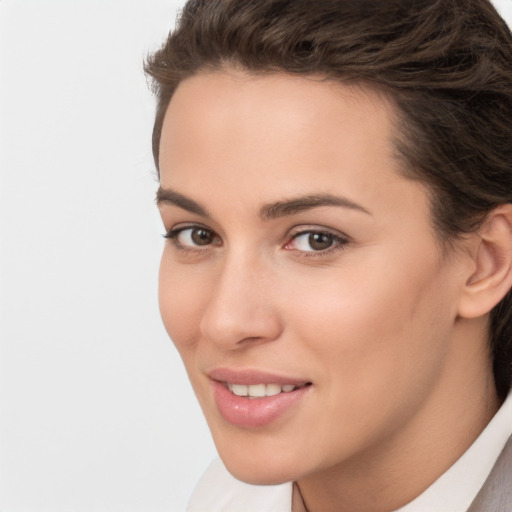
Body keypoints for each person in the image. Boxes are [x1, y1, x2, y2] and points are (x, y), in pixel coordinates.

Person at [145, 0, 512, 510]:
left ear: (485, 261)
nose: (225, 322)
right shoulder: (224, 499)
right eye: (196, 235)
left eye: (316, 239)